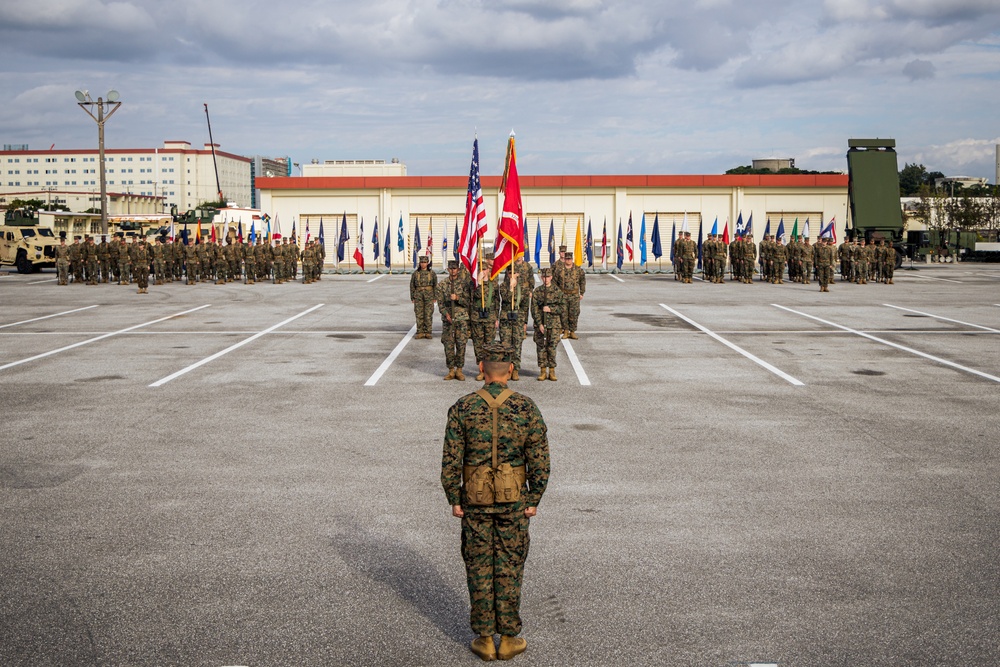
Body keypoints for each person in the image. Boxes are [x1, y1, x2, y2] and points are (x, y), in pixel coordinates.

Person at [441, 341, 551, 662]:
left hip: (475, 503)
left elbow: (450, 460)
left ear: (481, 369)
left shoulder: (463, 408)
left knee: (478, 566)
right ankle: (509, 637)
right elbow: (540, 461)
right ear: (511, 371)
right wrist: (533, 498)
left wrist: (454, 496)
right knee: (509, 565)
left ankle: (485, 638)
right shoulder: (527, 408)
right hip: (513, 502)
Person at [532, 268, 565, 381]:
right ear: (542, 278)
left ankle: (551, 370)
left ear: (551, 277)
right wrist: (539, 324)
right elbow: (534, 310)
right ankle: (542, 371)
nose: (546, 279)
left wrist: (551, 309)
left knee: (552, 347)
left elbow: (562, 307)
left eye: (548, 277)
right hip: (541, 324)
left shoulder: (557, 291)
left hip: (554, 324)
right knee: (541, 348)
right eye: (544, 277)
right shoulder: (537, 291)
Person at [556, 252, 585, 339]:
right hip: (563, 295)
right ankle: (565, 331)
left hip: (574, 295)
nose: (568, 261)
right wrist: (557, 294)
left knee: (574, 313)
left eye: (570, 259)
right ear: (564, 259)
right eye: (567, 259)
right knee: (564, 314)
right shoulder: (559, 270)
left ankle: (572, 331)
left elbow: (582, 282)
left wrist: (582, 293)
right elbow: (555, 283)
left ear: (572, 259)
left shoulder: (578, 270)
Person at [410, 254, 438, 339]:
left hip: (429, 296)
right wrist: (412, 297)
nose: (423, 264)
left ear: (427, 263)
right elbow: (412, 285)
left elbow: (435, 285)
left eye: (425, 262)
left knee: (428, 314)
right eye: (421, 262)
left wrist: (435, 297)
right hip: (418, 295)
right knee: (419, 314)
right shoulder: (416, 273)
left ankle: (428, 332)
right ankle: (420, 331)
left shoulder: (432, 273)